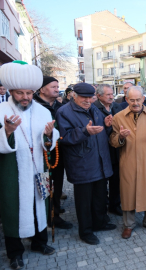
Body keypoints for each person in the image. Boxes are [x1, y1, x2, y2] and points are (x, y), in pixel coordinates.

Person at [0, 61, 58, 269]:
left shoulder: (43, 112)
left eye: (29, 93)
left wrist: (50, 134)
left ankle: (38, 243)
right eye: (20, 93)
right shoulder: (1, 111)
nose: (25, 97)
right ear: (11, 91)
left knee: (40, 205)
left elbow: (51, 139)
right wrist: (6, 132)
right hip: (11, 173)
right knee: (13, 210)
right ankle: (15, 253)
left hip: (38, 169)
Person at [56, 83, 116, 245]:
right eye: (84, 97)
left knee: (99, 197)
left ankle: (99, 223)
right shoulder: (64, 112)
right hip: (81, 164)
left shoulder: (94, 109)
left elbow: (100, 132)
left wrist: (108, 126)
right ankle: (86, 231)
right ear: (74, 95)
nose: (88, 100)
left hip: (100, 161)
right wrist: (84, 131)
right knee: (84, 202)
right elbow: (64, 138)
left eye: (91, 97)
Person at [110, 86, 146, 239]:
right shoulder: (118, 117)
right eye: (132, 100)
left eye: (138, 99)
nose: (135, 103)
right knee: (128, 193)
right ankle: (129, 225)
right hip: (128, 162)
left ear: (143, 99)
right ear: (126, 99)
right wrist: (121, 137)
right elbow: (113, 141)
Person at [33, 76, 73, 229]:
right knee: (43, 186)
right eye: (53, 87)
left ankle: (54, 214)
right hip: (41, 155)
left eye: (57, 87)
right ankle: (42, 216)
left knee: (57, 184)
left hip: (58, 152)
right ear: (42, 89)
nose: (57, 89)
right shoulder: (34, 105)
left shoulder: (60, 105)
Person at [94, 84, 123, 216]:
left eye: (112, 94)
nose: (111, 97)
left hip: (116, 150)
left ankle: (114, 204)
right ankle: (101, 206)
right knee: (101, 182)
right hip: (101, 150)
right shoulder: (94, 108)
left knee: (116, 180)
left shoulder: (118, 107)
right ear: (99, 96)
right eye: (108, 94)